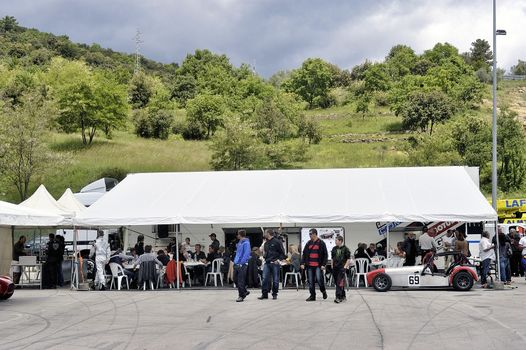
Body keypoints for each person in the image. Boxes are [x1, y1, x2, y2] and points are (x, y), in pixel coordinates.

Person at [301, 228, 328, 302]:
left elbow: (325, 254)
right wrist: (302, 263)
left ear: (315, 234)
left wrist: (323, 264)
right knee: (310, 281)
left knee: (319, 280)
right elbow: (304, 254)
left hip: (318, 265)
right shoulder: (308, 243)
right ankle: (312, 296)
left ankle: (323, 291)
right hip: (309, 265)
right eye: (309, 234)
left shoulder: (321, 243)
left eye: (311, 234)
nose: (310, 236)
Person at [258, 229, 286, 300]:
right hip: (267, 263)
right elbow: (264, 252)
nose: (264, 234)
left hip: (275, 263)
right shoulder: (266, 243)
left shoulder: (277, 242)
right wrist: (264, 257)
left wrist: (278, 260)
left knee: (275, 280)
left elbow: (282, 253)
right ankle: (264, 294)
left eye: (265, 233)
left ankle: (274, 294)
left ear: (268, 233)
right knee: (264, 279)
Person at [331, 236, 350, 304]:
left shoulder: (345, 249)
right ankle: (343, 295)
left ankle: (338, 297)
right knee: (337, 283)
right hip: (335, 268)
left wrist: (345, 267)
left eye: (336, 240)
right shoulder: (334, 249)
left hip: (342, 268)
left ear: (340, 241)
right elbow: (332, 258)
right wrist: (332, 266)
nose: (335, 241)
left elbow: (348, 259)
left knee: (339, 282)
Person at [233, 229, 251, 302]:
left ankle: (241, 296)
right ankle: (244, 291)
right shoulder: (240, 242)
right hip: (237, 263)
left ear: (240, 235)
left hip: (241, 264)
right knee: (235, 279)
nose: (237, 235)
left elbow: (246, 254)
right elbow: (238, 253)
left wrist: (241, 263)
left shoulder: (246, 243)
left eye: (237, 234)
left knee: (240, 280)